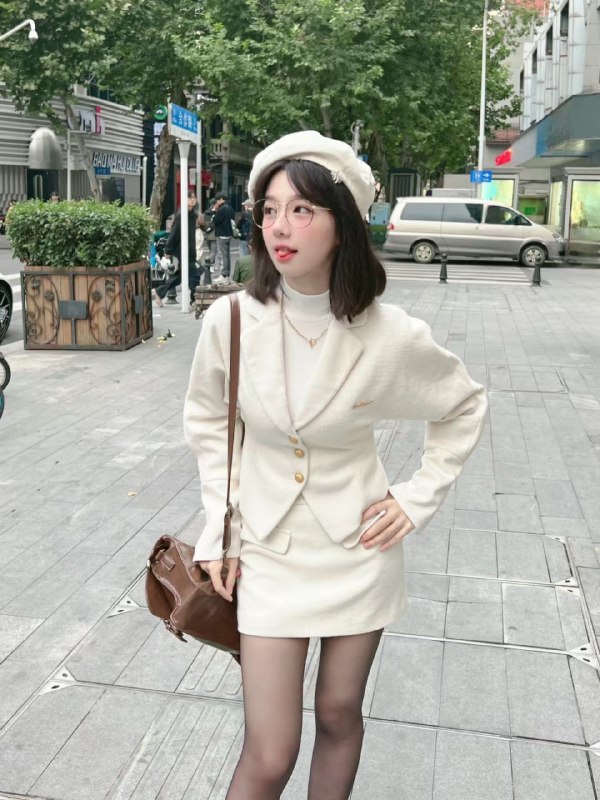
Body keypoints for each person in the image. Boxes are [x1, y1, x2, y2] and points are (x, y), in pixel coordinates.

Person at [183, 131, 487, 800]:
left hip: (358, 549)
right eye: (269, 209)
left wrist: (416, 497)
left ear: (342, 224)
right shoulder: (231, 321)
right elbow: (210, 424)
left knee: (339, 713)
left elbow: (463, 405)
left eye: (301, 210)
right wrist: (219, 529)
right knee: (270, 752)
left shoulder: (390, 334)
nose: (277, 226)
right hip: (265, 549)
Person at [153, 190, 197, 307]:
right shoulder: (181, 215)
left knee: (180, 277)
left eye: (194, 198)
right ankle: (195, 300)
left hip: (190, 251)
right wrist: (167, 252)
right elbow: (174, 234)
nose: (192, 200)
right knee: (194, 276)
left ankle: (159, 292)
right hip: (183, 251)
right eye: (189, 198)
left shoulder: (193, 215)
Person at [212, 191, 235, 282]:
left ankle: (224, 274)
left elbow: (216, 221)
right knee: (227, 255)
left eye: (218, 200)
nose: (217, 202)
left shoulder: (221, 209)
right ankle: (227, 274)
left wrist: (214, 212)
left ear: (221, 199)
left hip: (222, 234)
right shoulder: (230, 208)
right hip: (229, 234)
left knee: (222, 255)